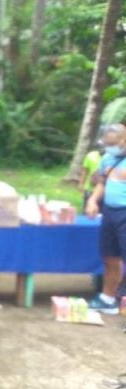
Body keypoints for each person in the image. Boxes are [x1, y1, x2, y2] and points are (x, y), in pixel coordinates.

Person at [85, 123, 126, 315]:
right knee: (110, 256)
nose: (110, 147)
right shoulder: (108, 158)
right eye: (107, 143)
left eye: (113, 143)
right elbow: (101, 183)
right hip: (109, 212)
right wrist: (93, 200)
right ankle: (107, 298)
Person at [80, 144, 103, 208]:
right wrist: (81, 184)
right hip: (90, 188)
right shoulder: (91, 155)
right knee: (87, 209)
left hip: (104, 190)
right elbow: (85, 170)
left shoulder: (112, 157)